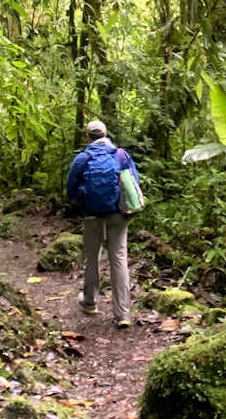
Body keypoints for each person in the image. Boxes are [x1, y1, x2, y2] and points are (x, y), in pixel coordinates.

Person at [65, 119, 139, 328]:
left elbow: (70, 190)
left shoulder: (82, 158)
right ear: (106, 135)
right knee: (119, 257)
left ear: (88, 136)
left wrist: (84, 200)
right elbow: (133, 183)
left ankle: (89, 302)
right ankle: (123, 313)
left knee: (92, 256)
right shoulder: (121, 155)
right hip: (119, 213)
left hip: (92, 214)